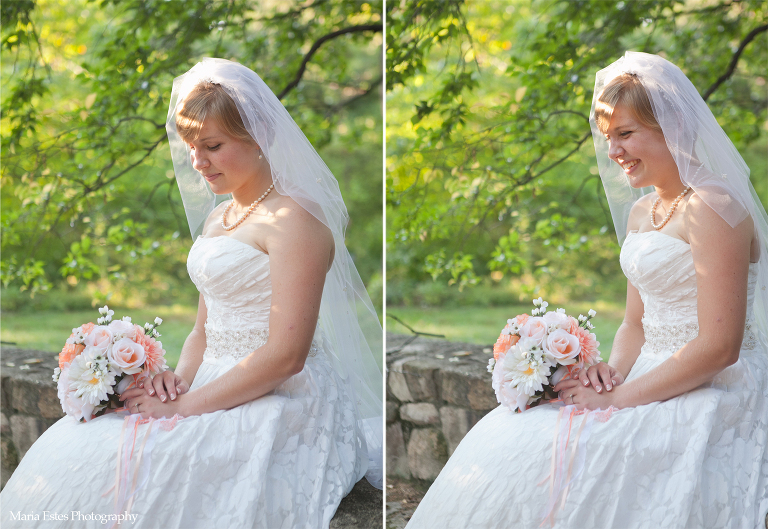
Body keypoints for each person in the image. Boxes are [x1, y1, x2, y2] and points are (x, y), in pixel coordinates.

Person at [0, 58, 383, 528]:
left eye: (213, 146)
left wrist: (181, 409)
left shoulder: (295, 221)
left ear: (260, 136)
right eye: (191, 147)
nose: (198, 162)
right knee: (80, 443)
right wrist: (176, 380)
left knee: (157, 461)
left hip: (279, 393)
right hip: (210, 380)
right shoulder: (218, 218)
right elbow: (204, 328)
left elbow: (286, 356)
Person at [404, 52, 768, 528]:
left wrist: (618, 401)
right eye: (607, 137)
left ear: (673, 126)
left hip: (711, 383)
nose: (614, 151)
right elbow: (637, 323)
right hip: (647, 372)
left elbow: (720, 347)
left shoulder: (714, 207)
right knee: (513, 435)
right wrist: (610, 376)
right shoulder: (645, 212)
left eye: (625, 133)